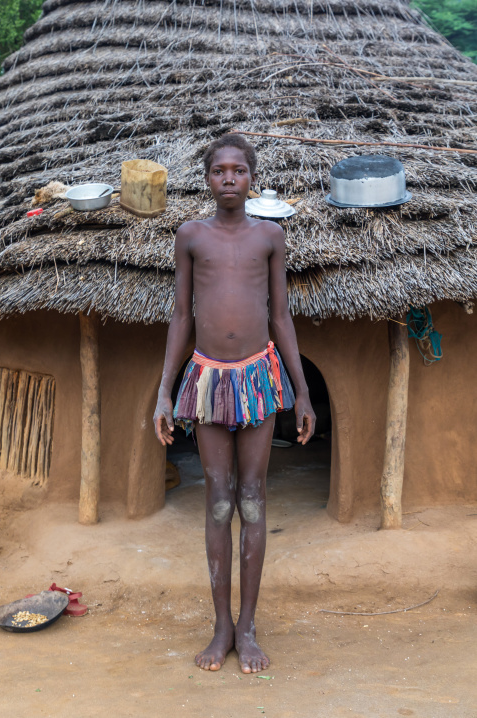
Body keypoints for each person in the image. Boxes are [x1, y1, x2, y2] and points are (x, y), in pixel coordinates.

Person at [154, 134, 316, 674]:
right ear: (206, 179)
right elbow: (181, 316)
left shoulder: (270, 236)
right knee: (218, 501)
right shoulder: (190, 236)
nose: (228, 178)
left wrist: (302, 389)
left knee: (252, 499)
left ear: (251, 178)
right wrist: (164, 391)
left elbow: (280, 316)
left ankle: (248, 627)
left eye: (238, 170)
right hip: (206, 380)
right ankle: (221, 626)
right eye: (219, 170)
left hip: (257, 379)